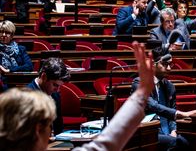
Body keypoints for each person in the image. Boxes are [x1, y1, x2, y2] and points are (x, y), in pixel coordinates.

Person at [0, 41, 155, 151]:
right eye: (47, 126)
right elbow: (104, 145)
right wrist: (141, 94)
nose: (57, 90)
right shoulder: (30, 95)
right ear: (37, 130)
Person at [132, 46, 196, 151]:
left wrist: (174, 130)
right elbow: (152, 105)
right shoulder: (139, 83)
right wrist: (182, 113)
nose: (169, 68)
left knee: (193, 139)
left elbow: (171, 117)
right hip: (147, 132)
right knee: (180, 143)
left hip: (167, 133)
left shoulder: (170, 87)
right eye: (165, 64)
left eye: (170, 64)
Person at [27, 57, 71, 135]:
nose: (57, 90)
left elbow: (58, 126)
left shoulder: (55, 94)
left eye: (59, 86)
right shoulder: (27, 96)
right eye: (55, 85)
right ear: (44, 77)